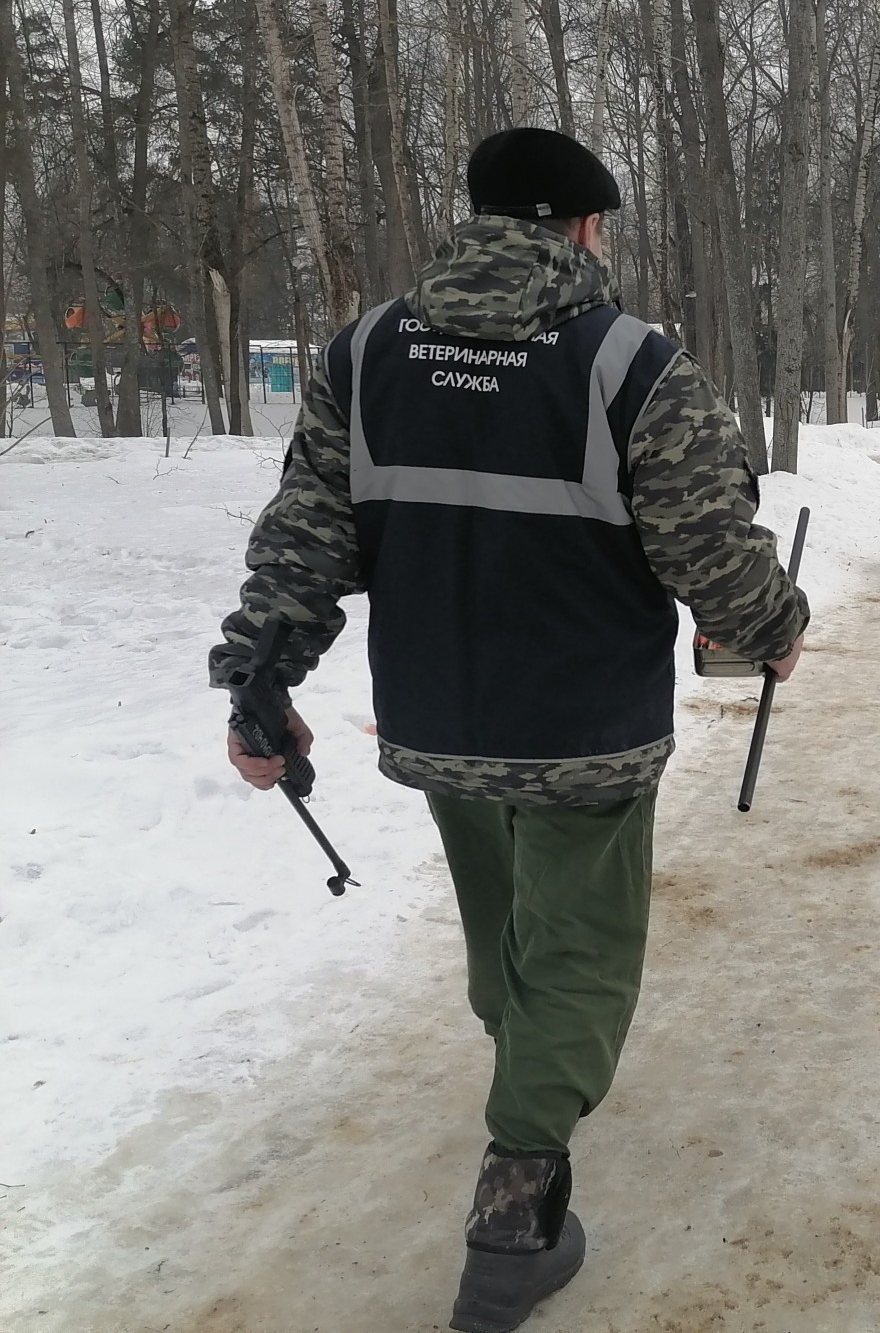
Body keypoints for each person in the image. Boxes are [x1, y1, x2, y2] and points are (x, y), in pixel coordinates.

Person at [208, 127, 807, 1333]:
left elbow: (305, 532)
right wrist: (774, 621)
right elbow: (706, 544)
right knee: (579, 942)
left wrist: (260, 682)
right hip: (585, 728)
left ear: (479, 220)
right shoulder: (631, 361)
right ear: (585, 228)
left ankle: (519, 1053)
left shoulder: (368, 351)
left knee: (501, 919)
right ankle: (518, 1203)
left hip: (440, 717)